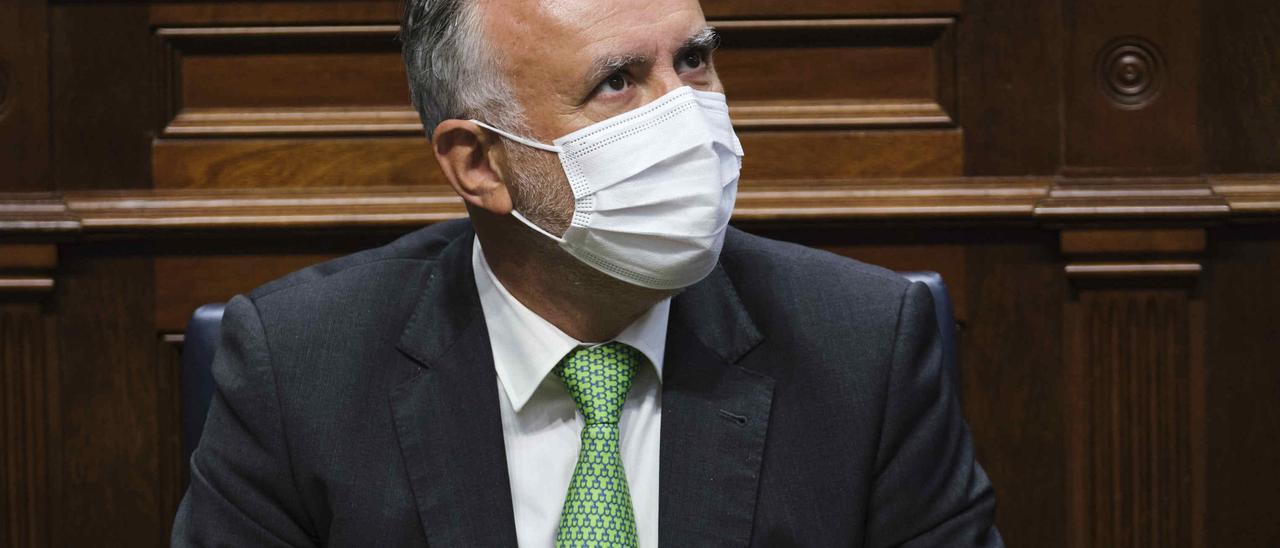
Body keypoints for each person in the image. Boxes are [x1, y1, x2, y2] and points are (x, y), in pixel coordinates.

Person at [171, 0, 1003, 545]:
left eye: (695, 59)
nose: (687, 115)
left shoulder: (863, 346)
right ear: (479, 164)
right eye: (617, 81)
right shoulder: (300, 369)